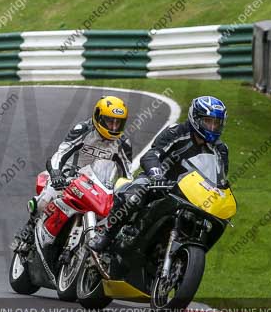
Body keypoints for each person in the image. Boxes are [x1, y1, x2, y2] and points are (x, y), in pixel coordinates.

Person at [89, 96, 229, 252]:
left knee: (208, 222)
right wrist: (156, 176)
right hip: (160, 183)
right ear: (195, 119)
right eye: (208, 121)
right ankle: (106, 235)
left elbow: (220, 178)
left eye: (216, 123)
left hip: (192, 195)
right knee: (133, 196)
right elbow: (151, 155)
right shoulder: (177, 132)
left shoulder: (221, 149)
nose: (212, 127)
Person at [34, 96, 133, 225]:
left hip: (97, 188)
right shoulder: (83, 130)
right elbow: (61, 153)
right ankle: (30, 227)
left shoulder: (123, 144)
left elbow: (128, 175)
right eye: (110, 121)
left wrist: (127, 194)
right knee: (43, 203)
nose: (114, 127)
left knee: (110, 220)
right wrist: (56, 174)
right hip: (68, 179)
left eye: (118, 123)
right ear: (98, 117)